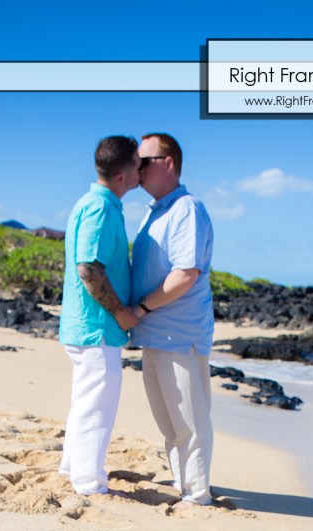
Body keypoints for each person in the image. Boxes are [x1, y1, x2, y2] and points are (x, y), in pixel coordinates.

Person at [130, 133, 215, 507]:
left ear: (168, 163)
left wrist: (141, 309)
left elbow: (185, 274)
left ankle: (197, 494)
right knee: (169, 423)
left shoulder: (187, 208)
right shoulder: (154, 211)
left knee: (189, 423)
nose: (137, 168)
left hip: (179, 334)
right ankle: (184, 484)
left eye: (143, 161)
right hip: (153, 334)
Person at [59, 135, 141, 495]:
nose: (143, 171)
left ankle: (71, 468)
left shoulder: (94, 203)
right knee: (96, 408)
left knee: (85, 403)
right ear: (123, 174)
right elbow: (88, 268)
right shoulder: (100, 208)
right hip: (97, 328)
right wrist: (121, 312)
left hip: (88, 327)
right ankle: (88, 483)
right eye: (139, 165)